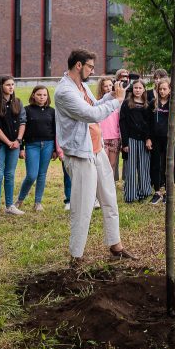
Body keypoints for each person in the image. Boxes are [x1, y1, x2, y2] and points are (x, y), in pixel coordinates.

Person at [54, 49, 135, 267]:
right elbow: (91, 115)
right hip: (81, 154)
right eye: (90, 66)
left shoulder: (83, 86)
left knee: (109, 197)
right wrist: (117, 101)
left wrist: (113, 94)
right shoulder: (65, 92)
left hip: (96, 150)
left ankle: (115, 244)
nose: (92, 70)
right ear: (78, 65)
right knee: (83, 206)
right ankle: (76, 255)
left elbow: (95, 105)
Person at [0, 75, 26, 220]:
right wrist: (8, 142)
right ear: (1, 86)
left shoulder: (18, 102)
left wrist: (18, 140)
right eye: (8, 84)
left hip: (15, 144)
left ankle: (10, 206)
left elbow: (23, 122)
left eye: (13, 84)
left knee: (10, 174)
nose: (11, 87)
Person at [14, 86, 58, 213]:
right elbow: (21, 129)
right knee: (32, 175)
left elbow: (55, 131)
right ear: (33, 95)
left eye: (44, 95)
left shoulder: (52, 111)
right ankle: (20, 200)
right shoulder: (26, 110)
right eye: (39, 94)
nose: (42, 97)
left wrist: (55, 149)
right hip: (32, 145)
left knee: (42, 174)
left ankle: (38, 202)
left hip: (48, 145)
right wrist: (21, 148)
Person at [147, 77, 175, 204]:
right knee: (156, 164)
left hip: (169, 139)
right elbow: (148, 122)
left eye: (164, 89)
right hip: (155, 139)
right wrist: (148, 138)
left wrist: (173, 96)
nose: (162, 91)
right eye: (160, 89)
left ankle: (167, 191)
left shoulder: (173, 103)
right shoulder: (153, 103)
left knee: (168, 165)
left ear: (170, 89)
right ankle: (157, 192)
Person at [120, 79, 153, 203]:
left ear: (144, 89)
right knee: (131, 168)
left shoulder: (147, 104)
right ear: (132, 89)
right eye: (135, 88)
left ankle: (143, 192)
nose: (138, 90)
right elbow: (122, 123)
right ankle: (130, 195)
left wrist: (148, 138)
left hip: (143, 140)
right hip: (131, 139)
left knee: (144, 166)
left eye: (140, 88)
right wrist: (125, 143)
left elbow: (149, 123)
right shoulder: (127, 103)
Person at [98, 76, 123, 182]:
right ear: (101, 88)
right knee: (103, 165)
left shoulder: (118, 103)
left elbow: (120, 121)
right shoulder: (99, 102)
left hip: (115, 137)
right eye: (105, 86)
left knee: (112, 164)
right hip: (102, 138)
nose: (108, 88)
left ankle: (110, 186)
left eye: (110, 85)